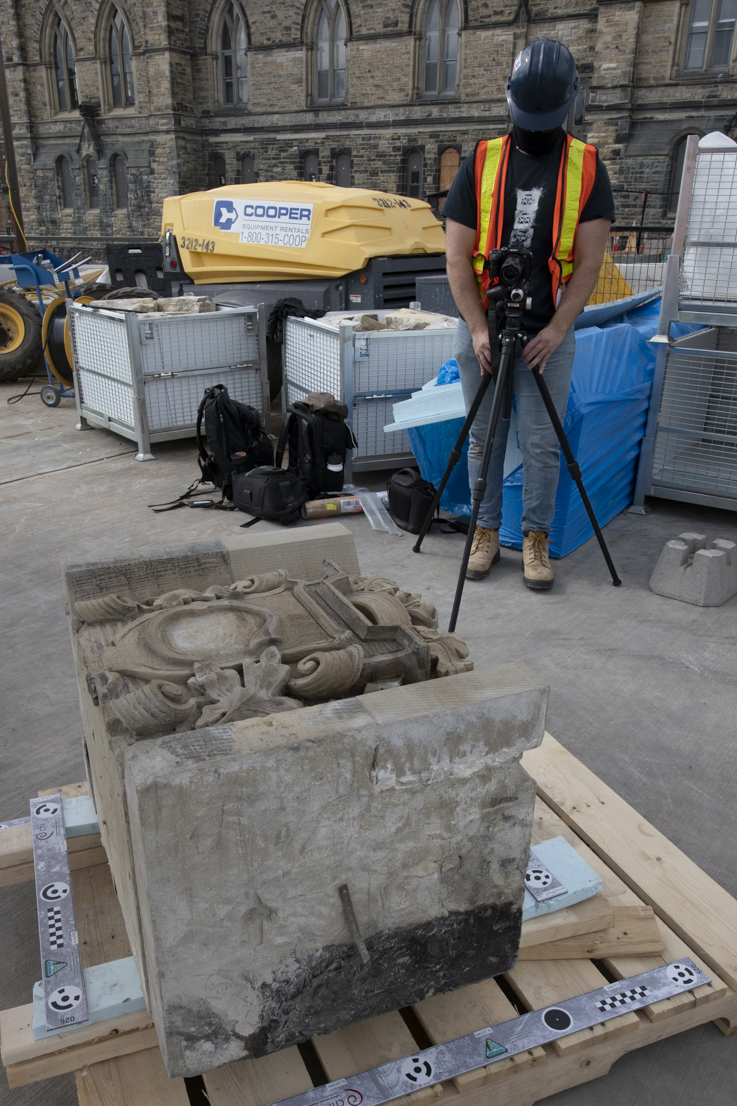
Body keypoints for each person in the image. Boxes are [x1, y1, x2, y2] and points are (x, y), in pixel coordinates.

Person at [443, 38, 615, 590]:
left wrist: (559, 329)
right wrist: (477, 328)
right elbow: (456, 257)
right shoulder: (482, 161)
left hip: (548, 335)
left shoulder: (587, 167)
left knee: (543, 444)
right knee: (483, 439)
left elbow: (589, 263)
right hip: (483, 329)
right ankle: (485, 531)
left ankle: (536, 538)